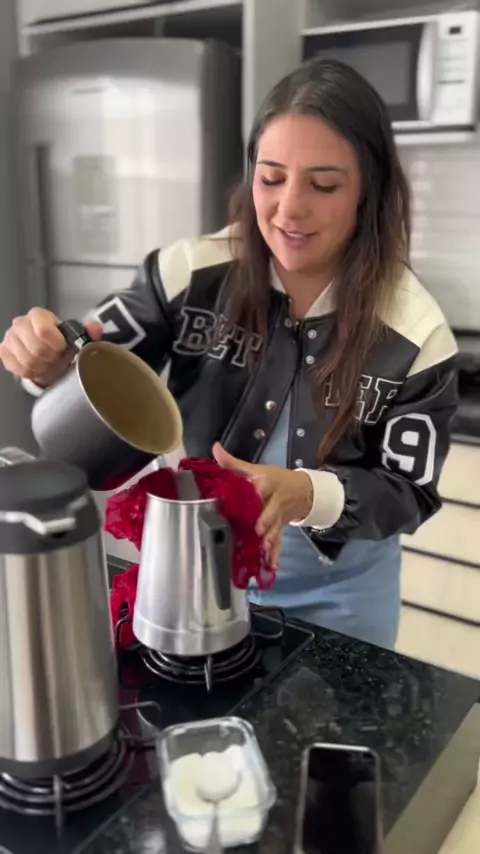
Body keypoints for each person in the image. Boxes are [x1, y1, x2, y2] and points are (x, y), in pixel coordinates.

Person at [0, 59, 458, 649]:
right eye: (271, 178)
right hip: (194, 577)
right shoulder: (189, 273)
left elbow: (409, 491)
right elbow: (89, 357)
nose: (289, 209)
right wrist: (46, 358)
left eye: (323, 185)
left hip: (341, 601)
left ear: (368, 191)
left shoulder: (415, 332)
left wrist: (306, 493)